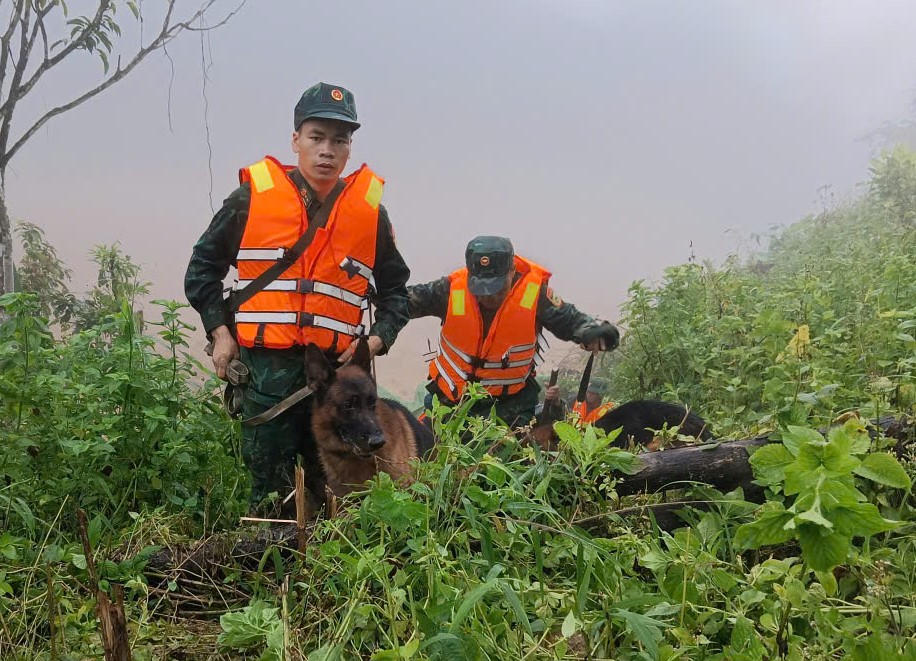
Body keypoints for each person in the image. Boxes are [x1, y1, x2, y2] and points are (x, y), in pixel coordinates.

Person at [184, 82, 410, 510]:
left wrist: (377, 339)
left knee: (343, 497)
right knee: (271, 497)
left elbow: (397, 293)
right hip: (267, 377)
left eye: (339, 140)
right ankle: (268, 574)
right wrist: (220, 333)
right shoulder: (250, 200)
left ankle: (334, 575)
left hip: (339, 385)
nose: (327, 150)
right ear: (295, 140)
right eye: (316, 137)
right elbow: (201, 270)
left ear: (349, 148)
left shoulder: (370, 215)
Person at [408, 236, 619, 427]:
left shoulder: (535, 295)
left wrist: (594, 333)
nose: (489, 296)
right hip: (449, 402)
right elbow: (405, 302)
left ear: (512, 271)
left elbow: (570, 320)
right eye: (481, 289)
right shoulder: (450, 289)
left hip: (508, 409)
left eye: (497, 288)